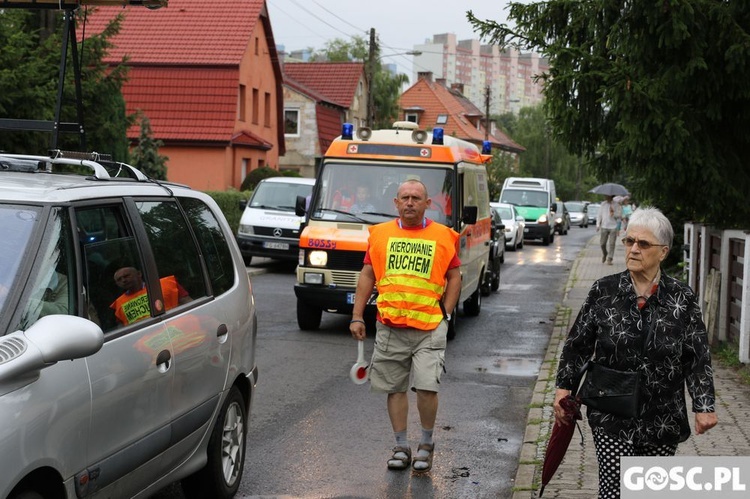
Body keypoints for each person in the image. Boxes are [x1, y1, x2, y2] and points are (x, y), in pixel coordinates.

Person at [553, 207, 717, 499]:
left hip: (662, 415)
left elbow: (697, 355)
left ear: (663, 252)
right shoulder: (604, 291)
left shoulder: (681, 297)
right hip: (610, 411)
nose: (634, 249)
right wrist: (562, 390)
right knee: (614, 490)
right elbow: (577, 344)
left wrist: (704, 406)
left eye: (643, 244)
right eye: (629, 241)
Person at [349, 179, 461, 473]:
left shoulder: (443, 236)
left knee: (426, 387)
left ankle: (426, 443)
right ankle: (401, 446)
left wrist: (445, 316)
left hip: (429, 328)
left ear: (427, 204)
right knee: (394, 388)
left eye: (416, 198)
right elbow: (367, 275)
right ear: (396, 204)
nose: (410, 202)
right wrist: (357, 316)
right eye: (405, 198)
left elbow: (455, 277)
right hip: (390, 326)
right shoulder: (380, 235)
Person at [111, 266, 192, 326]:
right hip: (146, 342)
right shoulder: (119, 303)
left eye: (126, 276)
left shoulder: (165, 285)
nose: (123, 280)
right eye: (119, 279)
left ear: (139, 274)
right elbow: (122, 328)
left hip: (178, 328)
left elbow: (189, 304)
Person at [596, 195, 621, 265]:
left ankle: (610, 258)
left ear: (611, 196)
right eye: (606, 196)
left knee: (612, 243)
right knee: (602, 243)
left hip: (613, 226)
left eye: (608, 196)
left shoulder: (616, 204)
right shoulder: (603, 204)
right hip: (604, 226)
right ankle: (605, 253)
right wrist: (598, 225)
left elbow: (619, 215)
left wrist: (613, 214)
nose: (606, 197)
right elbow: (599, 215)